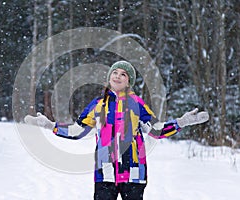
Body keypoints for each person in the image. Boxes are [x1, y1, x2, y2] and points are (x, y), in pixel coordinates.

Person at [24, 60, 209, 200]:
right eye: (115, 72)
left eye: (123, 74)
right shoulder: (97, 105)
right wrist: (50, 125)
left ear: (129, 81)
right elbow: (77, 131)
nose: (118, 76)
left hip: (135, 171)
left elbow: (155, 131)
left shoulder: (137, 104)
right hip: (105, 171)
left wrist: (181, 122)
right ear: (109, 77)